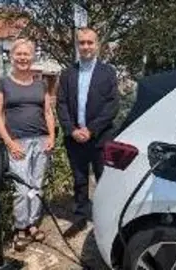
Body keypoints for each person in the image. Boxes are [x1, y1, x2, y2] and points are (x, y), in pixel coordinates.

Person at [0, 38, 55, 251]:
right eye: (19, 54)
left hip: (41, 141)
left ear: (32, 57)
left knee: (37, 186)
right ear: (12, 57)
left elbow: (47, 112)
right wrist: (9, 143)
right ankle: (20, 228)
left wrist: (52, 137)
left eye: (27, 54)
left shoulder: (41, 84)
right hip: (18, 142)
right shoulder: (2, 82)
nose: (23, 58)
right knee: (21, 188)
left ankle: (33, 225)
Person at [57, 27, 120, 234]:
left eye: (89, 42)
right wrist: (72, 130)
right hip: (74, 138)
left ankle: (106, 219)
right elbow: (62, 104)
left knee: (104, 180)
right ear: (77, 45)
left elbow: (112, 106)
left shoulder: (108, 72)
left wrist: (91, 130)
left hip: (100, 137)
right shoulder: (67, 74)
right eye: (81, 43)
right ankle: (81, 217)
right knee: (80, 179)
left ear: (97, 45)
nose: (86, 46)